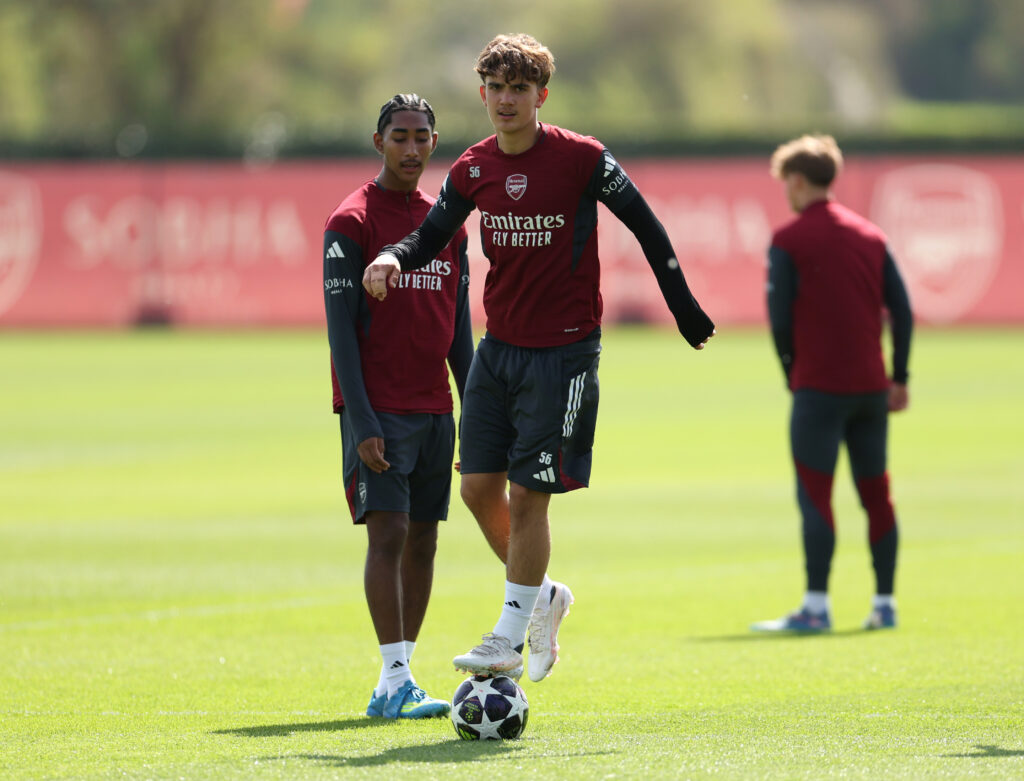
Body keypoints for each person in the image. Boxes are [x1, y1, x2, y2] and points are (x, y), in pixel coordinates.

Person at [362, 34, 715, 682]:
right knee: (477, 490)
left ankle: (508, 636)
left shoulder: (582, 158)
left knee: (528, 496)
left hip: (565, 355)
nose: (506, 100)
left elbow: (645, 223)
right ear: (483, 93)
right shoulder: (473, 167)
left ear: (541, 96)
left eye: (519, 89)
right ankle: (544, 594)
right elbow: (431, 234)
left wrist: (682, 304)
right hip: (498, 352)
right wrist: (390, 256)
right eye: (496, 88)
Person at [323, 94, 474, 717]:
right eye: (400, 136)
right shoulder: (351, 221)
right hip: (379, 410)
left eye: (421, 137)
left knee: (424, 541)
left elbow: (460, 332)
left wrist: (476, 414)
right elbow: (340, 333)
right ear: (378, 141)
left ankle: (399, 680)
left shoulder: (448, 226)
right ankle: (394, 677)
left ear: (435, 143)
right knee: (387, 534)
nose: (411, 148)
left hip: (436, 410)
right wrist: (360, 420)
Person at [752, 134, 913, 634]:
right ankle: (884, 604)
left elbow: (780, 319)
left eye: (786, 183)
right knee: (876, 494)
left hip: (819, 390)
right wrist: (899, 376)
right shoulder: (871, 236)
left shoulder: (789, 239)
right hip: (870, 390)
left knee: (816, 496)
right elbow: (903, 311)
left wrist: (791, 371)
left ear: (799, 181)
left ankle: (816, 606)